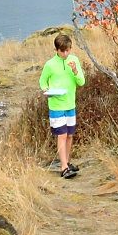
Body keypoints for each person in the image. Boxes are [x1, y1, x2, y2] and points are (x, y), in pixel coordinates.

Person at [40, 32, 86, 178]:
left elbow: (81, 82)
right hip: (56, 105)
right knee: (62, 135)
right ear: (57, 50)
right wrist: (46, 89)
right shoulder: (50, 64)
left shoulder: (74, 60)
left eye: (68, 50)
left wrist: (75, 70)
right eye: (62, 51)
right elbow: (42, 81)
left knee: (70, 135)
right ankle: (64, 167)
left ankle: (66, 161)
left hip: (70, 104)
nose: (66, 53)